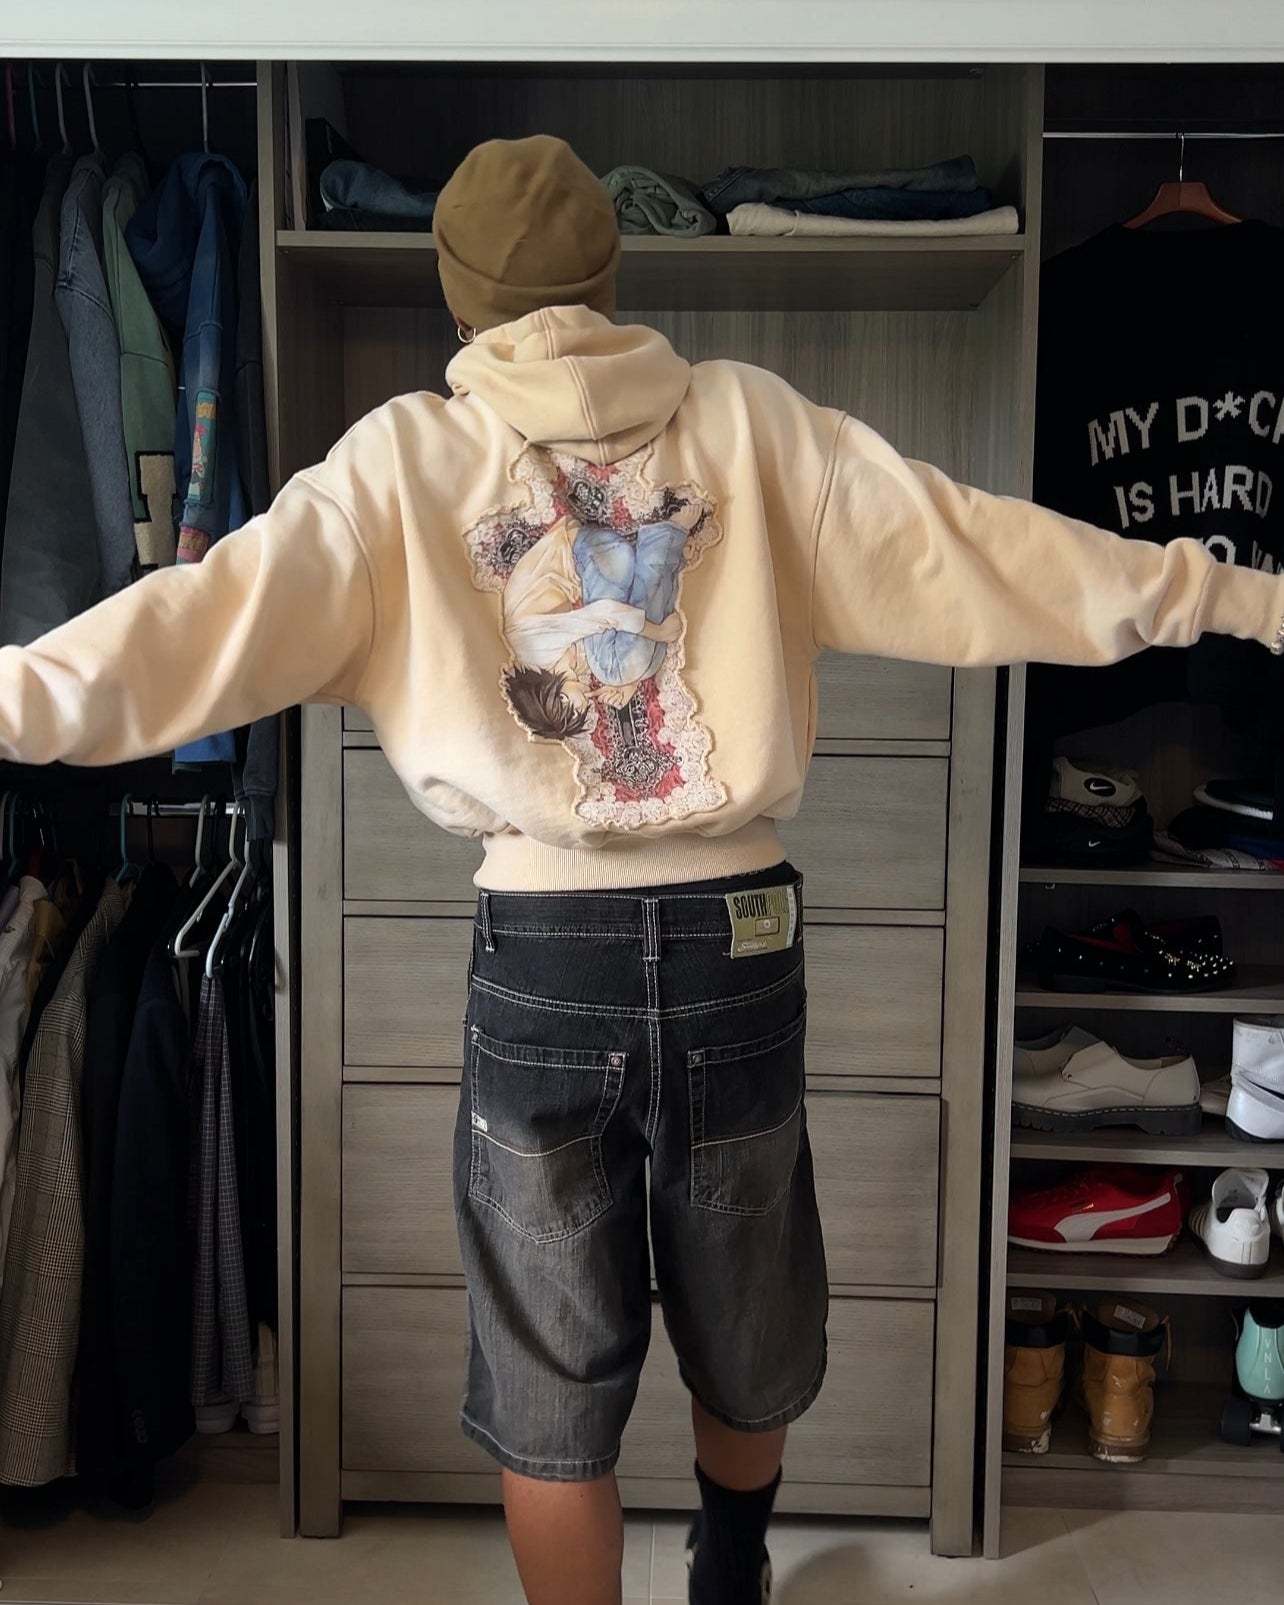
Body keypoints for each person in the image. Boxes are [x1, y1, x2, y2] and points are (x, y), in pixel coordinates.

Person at [0, 134, 1281, 1605]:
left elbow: (193, 621)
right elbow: (979, 551)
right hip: (739, 937)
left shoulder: (399, 462)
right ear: (612, 280)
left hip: (540, 950)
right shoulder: (752, 424)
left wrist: (17, 699)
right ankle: (730, 1571)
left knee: (553, 1370)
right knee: (749, 1306)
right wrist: (1230, 589)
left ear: (458, 302)